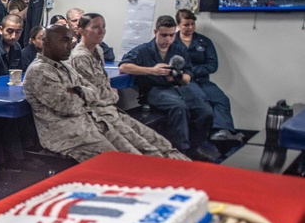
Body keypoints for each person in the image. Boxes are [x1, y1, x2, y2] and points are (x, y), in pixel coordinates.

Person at [68, 13, 187, 160]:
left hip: (111, 109)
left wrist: (109, 93)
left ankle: (183, 168)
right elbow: (94, 94)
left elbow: (103, 84)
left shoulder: (98, 50)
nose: (101, 31)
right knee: (144, 150)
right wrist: (112, 94)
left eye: (103, 27)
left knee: (159, 142)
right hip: (99, 114)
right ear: (81, 31)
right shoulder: (80, 57)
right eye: (95, 27)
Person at [119, 15, 217, 161]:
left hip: (178, 88)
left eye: (171, 35)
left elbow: (188, 77)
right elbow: (124, 67)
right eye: (164, 35)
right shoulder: (142, 50)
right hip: (155, 89)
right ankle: (179, 152)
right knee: (179, 108)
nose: (168, 40)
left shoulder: (179, 50)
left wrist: (178, 77)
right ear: (155, 32)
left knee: (206, 111)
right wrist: (152, 70)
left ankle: (195, 147)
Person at [23, 24, 122, 162]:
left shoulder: (65, 66)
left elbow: (92, 88)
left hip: (84, 126)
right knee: (118, 160)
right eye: (64, 41)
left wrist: (80, 91)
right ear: (47, 42)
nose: (70, 46)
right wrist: (86, 94)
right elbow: (69, 106)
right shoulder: (39, 71)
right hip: (65, 137)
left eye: (71, 40)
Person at [174, 9, 241, 142]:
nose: (190, 27)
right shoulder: (171, 41)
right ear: (178, 25)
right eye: (186, 24)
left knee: (222, 99)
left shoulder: (203, 41)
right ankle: (202, 137)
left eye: (192, 24)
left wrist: (189, 70)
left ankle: (221, 131)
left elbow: (212, 65)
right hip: (183, 82)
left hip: (202, 80)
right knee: (203, 101)